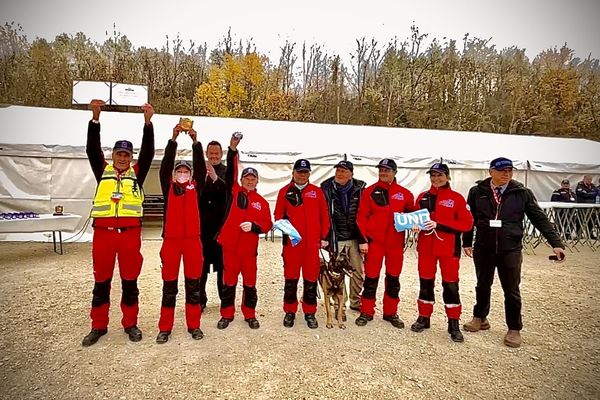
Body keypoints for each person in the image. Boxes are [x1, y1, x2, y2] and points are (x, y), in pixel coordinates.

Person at [462, 157, 566, 348]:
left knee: (511, 289)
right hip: (484, 247)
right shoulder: (477, 191)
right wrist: (466, 242)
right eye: (502, 171)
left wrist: (556, 243)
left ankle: (514, 328)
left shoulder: (522, 192)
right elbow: (470, 218)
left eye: (509, 170)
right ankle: (480, 317)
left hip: (510, 249)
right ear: (490, 171)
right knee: (482, 284)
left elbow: (539, 218)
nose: (506, 174)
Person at [82, 99, 155, 347]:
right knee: (101, 281)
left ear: (130, 157)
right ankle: (98, 325)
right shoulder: (102, 170)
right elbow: (91, 150)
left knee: (129, 280)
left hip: (129, 234)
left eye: (126, 154)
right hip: (103, 234)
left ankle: (130, 323)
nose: (123, 158)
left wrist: (148, 124)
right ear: (112, 155)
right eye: (119, 154)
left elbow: (148, 153)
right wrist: (95, 120)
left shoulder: (137, 173)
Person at [410, 163, 473, 342]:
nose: (436, 178)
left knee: (450, 285)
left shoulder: (457, 198)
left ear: (447, 176)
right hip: (426, 249)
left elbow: (466, 224)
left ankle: (453, 322)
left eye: (439, 175)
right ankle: (424, 317)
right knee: (425, 283)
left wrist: (440, 225)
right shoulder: (422, 197)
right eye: (433, 175)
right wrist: (413, 225)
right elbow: (415, 218)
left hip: (448, 249)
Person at [155, 124, 207, 344]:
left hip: (193, 242)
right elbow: (165, 166)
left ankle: (193, 325)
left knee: (193, 286)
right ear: (175, 174)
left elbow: (202, 168)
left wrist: (196, 142)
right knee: (169, 286)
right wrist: (173, 138)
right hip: (171, 242)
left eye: (186, 171)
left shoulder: (196, 187)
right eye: (180, 171)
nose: (183, 174)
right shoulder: (168, 187)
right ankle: (165, 327)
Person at [216, 134, 273, 329]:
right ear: (241, 180)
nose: (249, 181)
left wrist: (255, 227)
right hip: (230, 247)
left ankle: (249, 314)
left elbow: (268, 224)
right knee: (229, 282)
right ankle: (226, 314)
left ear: (257, 181)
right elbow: (231, 169)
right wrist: (232, 149)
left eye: (253, 178)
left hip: (249, 249)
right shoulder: (234, 191)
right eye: (246, 178)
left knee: (250, 283)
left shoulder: (262, 203)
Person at [355, 158, 415, 328]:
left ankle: (390, 312)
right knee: (371, 278)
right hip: (375, 243)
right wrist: (363, 241)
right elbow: (361, 218)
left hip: (395, 244)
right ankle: (367, 311)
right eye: (381, 170)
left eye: (387, 170)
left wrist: (416, 222)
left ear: (395, 173)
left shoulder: (404, 193)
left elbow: (412, 214)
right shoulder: (368, 192)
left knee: (393, 279)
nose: (383, 173)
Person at [274, 159, 330, 329]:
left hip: (312, 245)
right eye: (299, 172)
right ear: (293, 173)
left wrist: (324, 236)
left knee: (310, 279)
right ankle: (290, 311)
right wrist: (289, 232)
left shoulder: (317, 192)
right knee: (291, 279)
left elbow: (324, 215)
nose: (302, 175)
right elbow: (278, 216)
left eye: (305, 172)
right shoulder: (284, 192)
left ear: (309, 174)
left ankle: (309, 311)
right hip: (292, 245)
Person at [320, 160, 367, 315]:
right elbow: (324, 214)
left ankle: (355, 300)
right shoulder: (326, 188)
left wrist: (363, 240)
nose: (339, 174)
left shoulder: (360, 188)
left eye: (343, 171)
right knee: (336, 273)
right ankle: (340, 304)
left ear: (351, 174)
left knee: (357, 272)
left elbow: (363, 214)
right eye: (338, 170)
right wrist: (325, 236)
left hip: (354, 237)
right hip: (336, 237)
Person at [199, 140, 227, 309]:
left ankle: (224, 300)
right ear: (206, 154)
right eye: (211, 154)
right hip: (202, 227)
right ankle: (201, 300)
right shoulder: (200, 170)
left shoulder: (227, 171)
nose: (214, 156)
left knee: (222, 268)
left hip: (220, 227)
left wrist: (216, 179)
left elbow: (228, 193)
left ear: (221, 154)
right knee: (201, 268)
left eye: (217, 154)